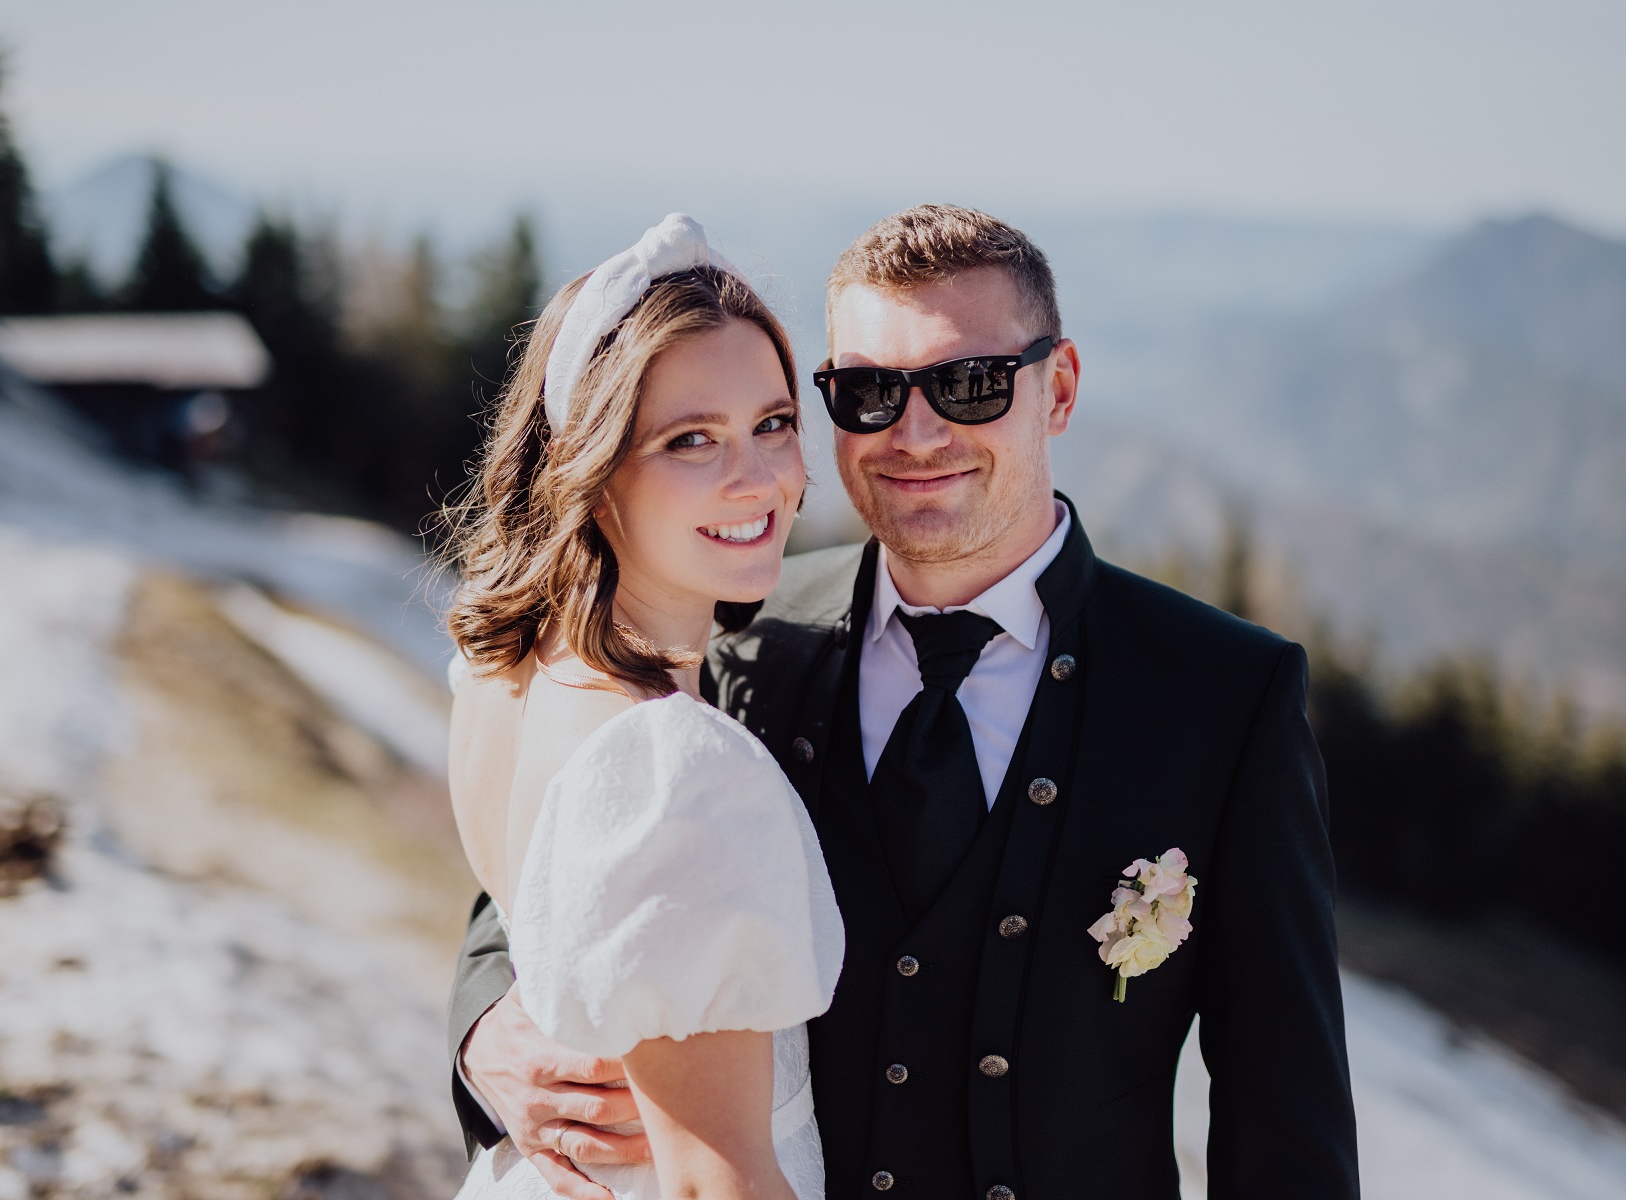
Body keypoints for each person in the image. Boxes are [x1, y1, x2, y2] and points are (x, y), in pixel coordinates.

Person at [450, 204, 1360, 1199]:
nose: (917, 435)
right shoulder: (738, 634)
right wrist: (487, 1028)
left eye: (969, 386)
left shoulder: (1221, 695)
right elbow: (560, 869)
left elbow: (1286, 1117)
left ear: (1056, 389)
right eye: (871, 393)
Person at [441, 214, 844, 1200]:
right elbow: (716, 1181)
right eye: (690, 440)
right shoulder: (672, 770)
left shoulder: (508, 669)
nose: (759, 479)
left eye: (775, 423)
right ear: (593, 469)